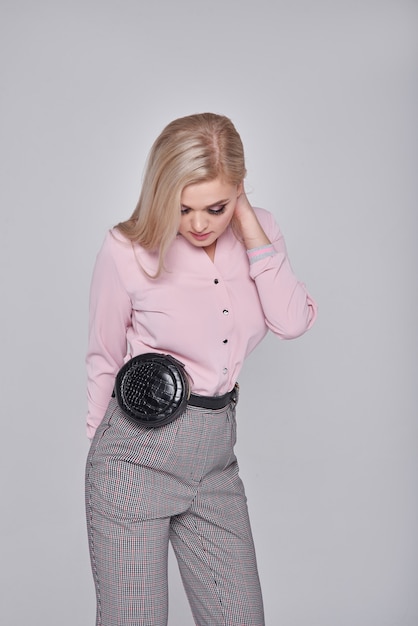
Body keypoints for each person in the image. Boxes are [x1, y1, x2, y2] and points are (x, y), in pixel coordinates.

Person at [85, 112, 317, 626]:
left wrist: (251, 226)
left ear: (239, 189)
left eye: (216, 207)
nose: (197, 224)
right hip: (135, 457)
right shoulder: (126, 249)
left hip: (214, 460)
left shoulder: (261, 234)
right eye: (182, 207)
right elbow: (103, 357)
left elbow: (292, 321)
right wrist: (107, 462)